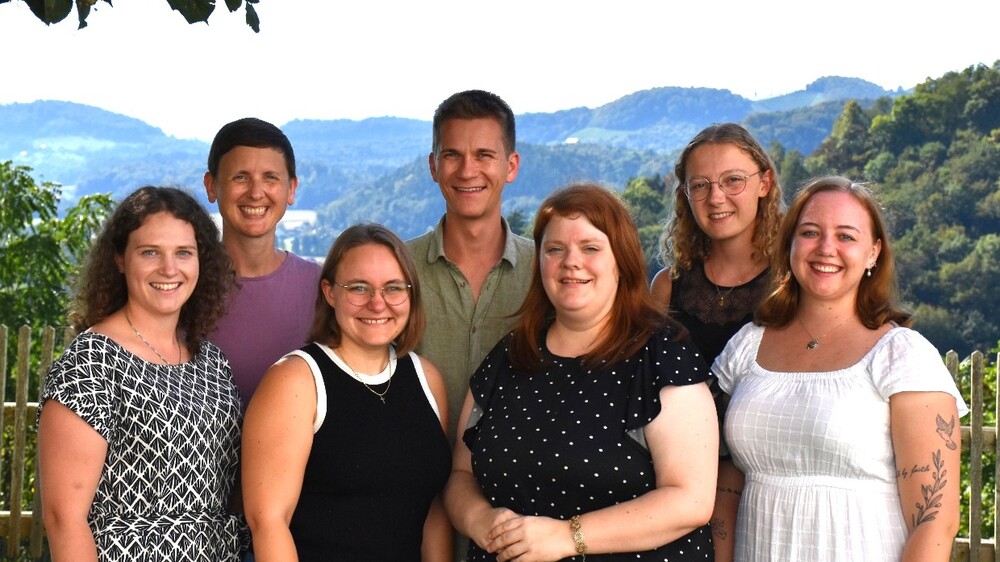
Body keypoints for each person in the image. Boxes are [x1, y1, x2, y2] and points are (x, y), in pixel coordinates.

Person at [445, 183, 718, 562]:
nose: (571, 262)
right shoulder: (509, 356)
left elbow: (691, 500)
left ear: (621, 261)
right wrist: (481, 520)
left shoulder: (662, 355)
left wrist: (567, 536)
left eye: (590, 248)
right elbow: (461, 476)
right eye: (555, 249)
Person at [712, 177, 968, 562]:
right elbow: (727, 483)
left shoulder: (903, 356)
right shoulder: (746, 346)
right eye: (810, 232)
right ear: (790, 244)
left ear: (873, 253)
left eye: (846, 236)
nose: (826, 248)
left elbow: (935, 520)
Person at [38, 186, 245, 561]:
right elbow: (63, 518)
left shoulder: (213, 362)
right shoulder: (91, 362)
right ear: (120, 259)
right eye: (150, 252)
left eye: (183, 252)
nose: (169, 269)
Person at [242, 223, 452, 562]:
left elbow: (432, 508)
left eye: (393, 288)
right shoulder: (296, 380)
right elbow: (268, 522)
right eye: (359, 288)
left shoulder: (427, 379)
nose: (377, 304)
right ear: (329, 292)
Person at [407, 89, 534, 443]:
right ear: (433, 166)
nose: (467, 171)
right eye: (452, 155)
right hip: (414, 471)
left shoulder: (549, 272)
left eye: (484, 155)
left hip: (519, 474)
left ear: (511, 166)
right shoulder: (398, 269)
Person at [204, 117, 321, 409]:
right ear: (211, 186)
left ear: (291, 189)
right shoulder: (181, 286)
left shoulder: (322, 288)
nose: (256, 192)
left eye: (270, 178)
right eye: (240, 177)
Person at [651, 122, 783, 368]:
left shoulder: (791, 281)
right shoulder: (666, 288)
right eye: (700, 185)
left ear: (765, 183)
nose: (716, 198)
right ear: (686, 194)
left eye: (733, 180)